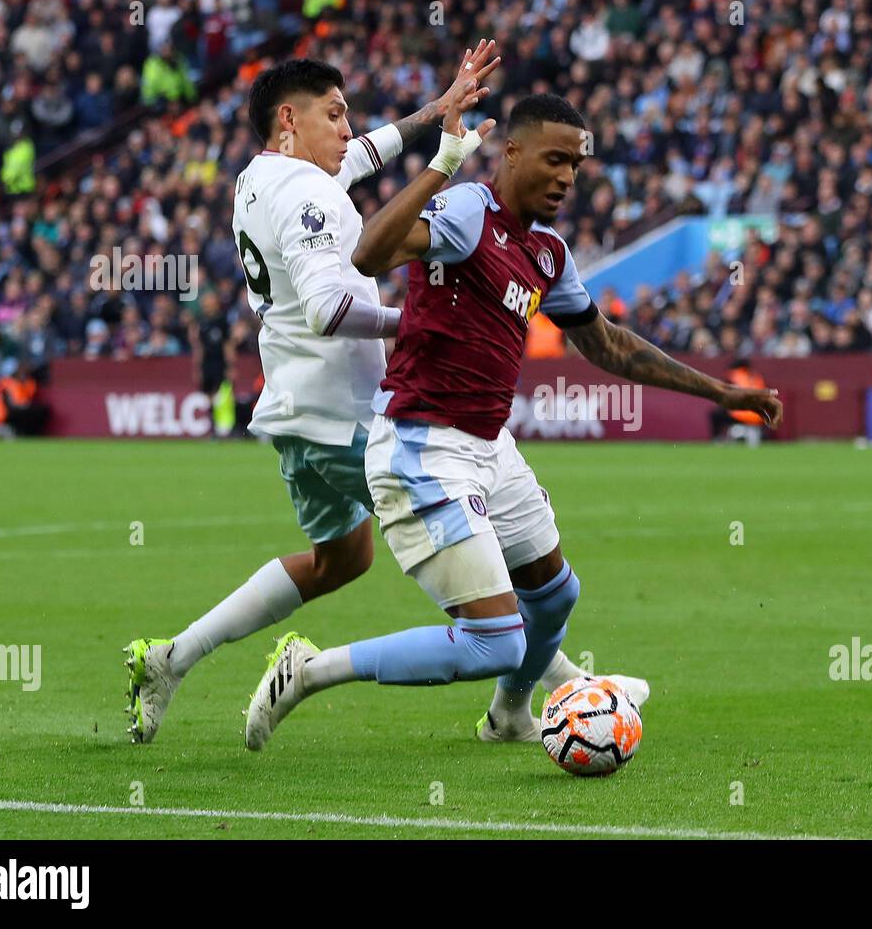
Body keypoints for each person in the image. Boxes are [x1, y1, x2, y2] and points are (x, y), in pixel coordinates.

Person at [242, 89, 782, 750]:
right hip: (422, 445)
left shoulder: (548, 252)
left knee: (555, 597)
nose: (565, 177)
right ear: (514, 152)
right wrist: (442, 163)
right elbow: (371, 254)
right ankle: (309, 669)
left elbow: (609, 345)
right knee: (496, 639)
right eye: (554, 159)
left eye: (576, 168)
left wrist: (720, 392)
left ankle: (510, 717)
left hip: (490, 446)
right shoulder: (470, 208)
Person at [122, 46, 617, 743]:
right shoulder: (307, 194)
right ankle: (566, 690)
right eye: (335, 114)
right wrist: (422, 321)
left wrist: (438, 110)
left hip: (295, 410)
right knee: (484, 553)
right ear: (288, 121)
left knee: (342, 560)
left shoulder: (263, 178)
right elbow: (329, 306)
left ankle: (172, 657)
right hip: (355, 412)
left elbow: (366, 156)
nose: (350, 128)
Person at [710, 358, 769, 445]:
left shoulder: (733, 376)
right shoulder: (757, 377)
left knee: (715, 414)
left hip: (740, 415)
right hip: (759, 416)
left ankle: (717, 439)